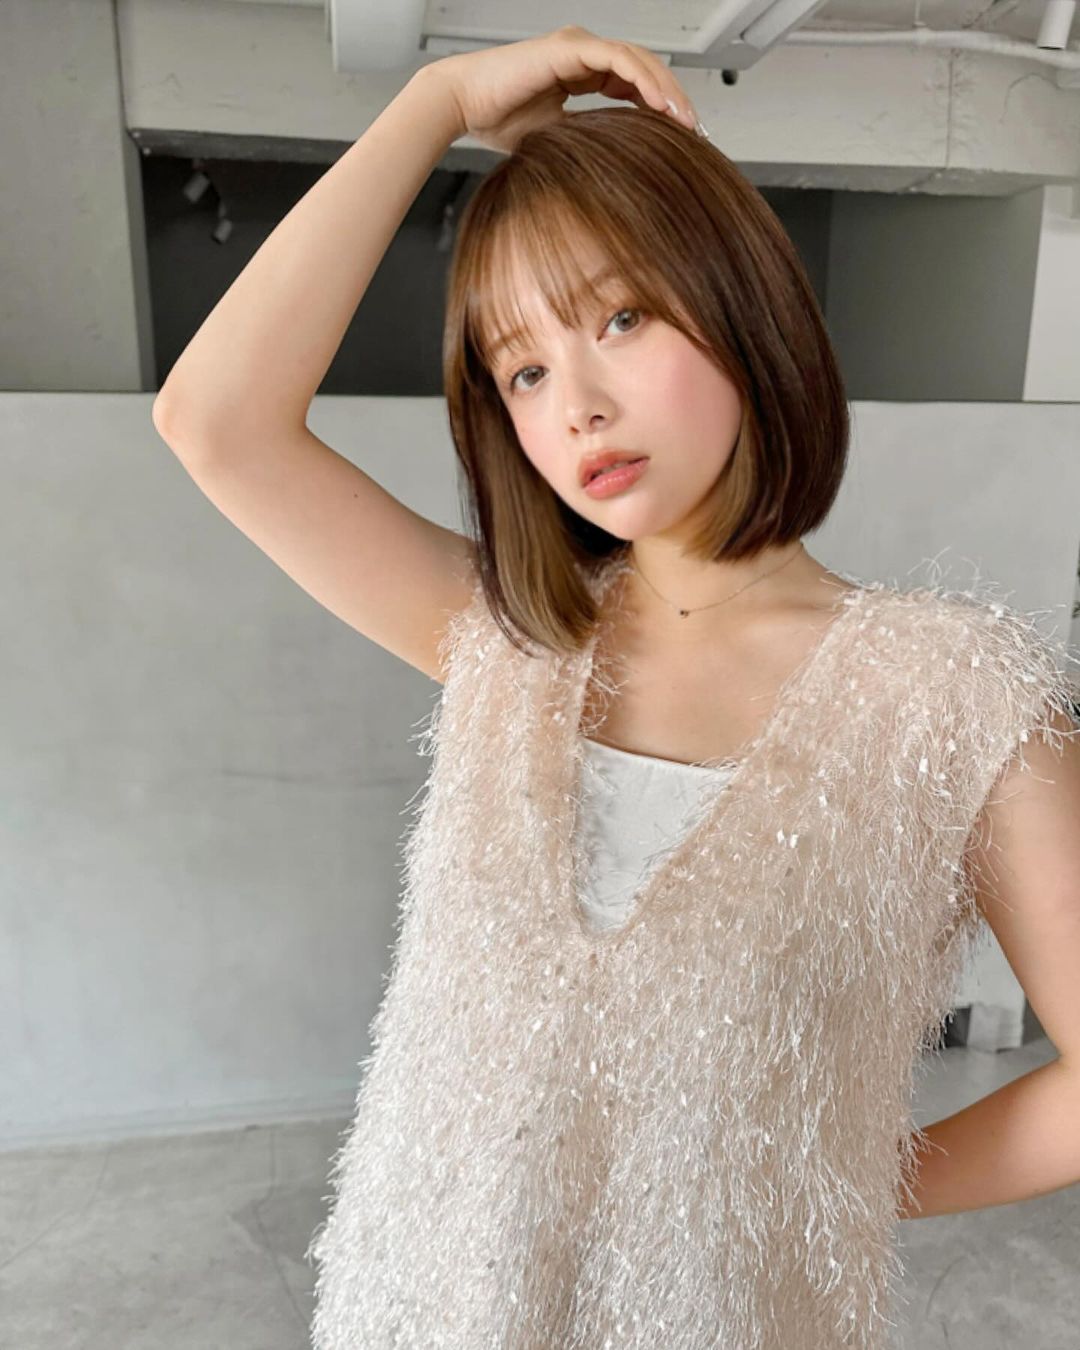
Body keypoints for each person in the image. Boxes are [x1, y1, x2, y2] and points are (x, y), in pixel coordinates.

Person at [152, 26, 1080, 1349]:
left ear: (741, 301)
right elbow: (216, 421)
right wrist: (436, 100)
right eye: (524, 369)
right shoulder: (510, 645)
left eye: (621, 318)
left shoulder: (955, 701)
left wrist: (836, 1182)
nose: (575, 402)